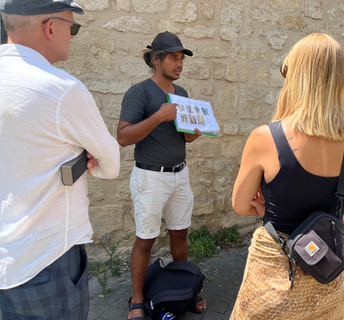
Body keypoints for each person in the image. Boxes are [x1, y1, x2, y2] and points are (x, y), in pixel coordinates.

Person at [0, 0, 120, 319]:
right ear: (50, 27)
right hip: (46, 256)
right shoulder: (61, 90)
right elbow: (111, 164)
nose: (73, 34)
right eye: (73, 27)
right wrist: (85, 155)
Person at [230, 33, 344, 320]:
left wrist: (263, 202)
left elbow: (240, 205)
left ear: (297, 76)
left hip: (276, 274)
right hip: (328, 279)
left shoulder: (267, 137)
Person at [117, 31, 204, 320]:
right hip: (150, 177)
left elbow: (183, 138)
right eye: (173, 58)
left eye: (181, 58)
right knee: (146, 239)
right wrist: (158, 116)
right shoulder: (140, 92)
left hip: (180, 174)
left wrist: (192, 134)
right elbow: (123, 137)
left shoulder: (183, 95)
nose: (179, 64)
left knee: (180, 235)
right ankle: (138, 300)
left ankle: (186, 290)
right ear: (156, 59)